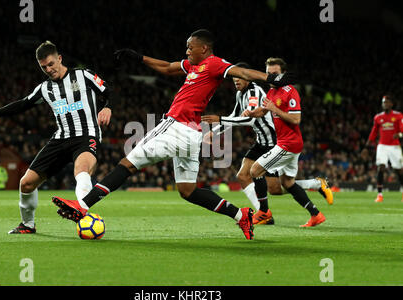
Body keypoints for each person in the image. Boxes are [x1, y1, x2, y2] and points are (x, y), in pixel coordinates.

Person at [52, 29, 295, 240]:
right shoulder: (193, 65)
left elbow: (244, 73)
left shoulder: (214, 64)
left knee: (127, 164)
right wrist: (138, 57)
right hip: (192, 135)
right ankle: (241, 215)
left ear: (204, 48)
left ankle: (82, 205)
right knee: (188, 190)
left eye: (190, 47)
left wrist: (271, 79)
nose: (187, 51)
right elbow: (167, 67)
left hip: (176, 126)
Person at [0, 41, 113, 234]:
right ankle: (27, 225)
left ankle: (82, 209)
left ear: (59, 58)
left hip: (86, 135)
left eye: (51, 64)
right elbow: (22, 104)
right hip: (60, 139)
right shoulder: (44, 89)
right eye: (43, 67)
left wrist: (106, 106)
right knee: (26, 183)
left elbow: (108, 91)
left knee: (82, 170)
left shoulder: (83, 75)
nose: (48, 69)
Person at [202, 62, 333, 225]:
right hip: (261, 141)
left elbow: (248, 120)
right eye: (233, 77)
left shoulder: (255, 91)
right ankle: (264, 213)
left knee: (275, 188)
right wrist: (213, 132)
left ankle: (312, 186)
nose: (236, 80)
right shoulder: (242, 94)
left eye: (239, 76)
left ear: (247, 78)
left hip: (273, 141)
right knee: (243, 175)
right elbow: (238, 115)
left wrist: (220, 119)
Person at [242, 57, 325, 227]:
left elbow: (296, 119)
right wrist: (251, 113)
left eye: (275, 74)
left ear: (283, 74)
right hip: (288, 143)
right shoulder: (272, 91)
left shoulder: (290, 91)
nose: (271, 77)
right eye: (268, 74)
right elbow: (263, 111)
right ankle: (316, 214)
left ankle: (263, 212)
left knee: (255, 170)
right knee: (287, 183)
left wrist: (275, 109)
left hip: (288, 144)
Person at [362, 95, 403, 202]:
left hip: (395, 146)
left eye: (387, 102)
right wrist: (366, 147)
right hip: (382, 146)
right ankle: (380, 195)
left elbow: (402, 130)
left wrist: (399, 135)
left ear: (392, 104)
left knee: (399, 170)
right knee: (381, 167)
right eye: (384, 102)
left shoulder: (398, 116)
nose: (385, 104)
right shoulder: (378, 117)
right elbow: (373, 132)